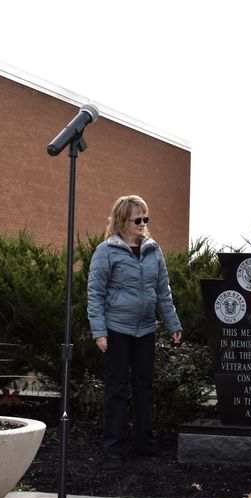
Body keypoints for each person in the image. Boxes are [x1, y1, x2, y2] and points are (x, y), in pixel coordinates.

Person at [87, 195, 182, 469]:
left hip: (146, 330)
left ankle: (144, 443)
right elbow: (95, 294)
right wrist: (99, 331)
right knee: (116, 389)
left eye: (145, 218)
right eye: (136, 219)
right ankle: (113, 449)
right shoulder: (106, 251)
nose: (142, 224)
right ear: (121, 221)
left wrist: (173, 323)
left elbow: (163, 291)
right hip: (116, 330)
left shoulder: (154, 250)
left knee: (144, 387)